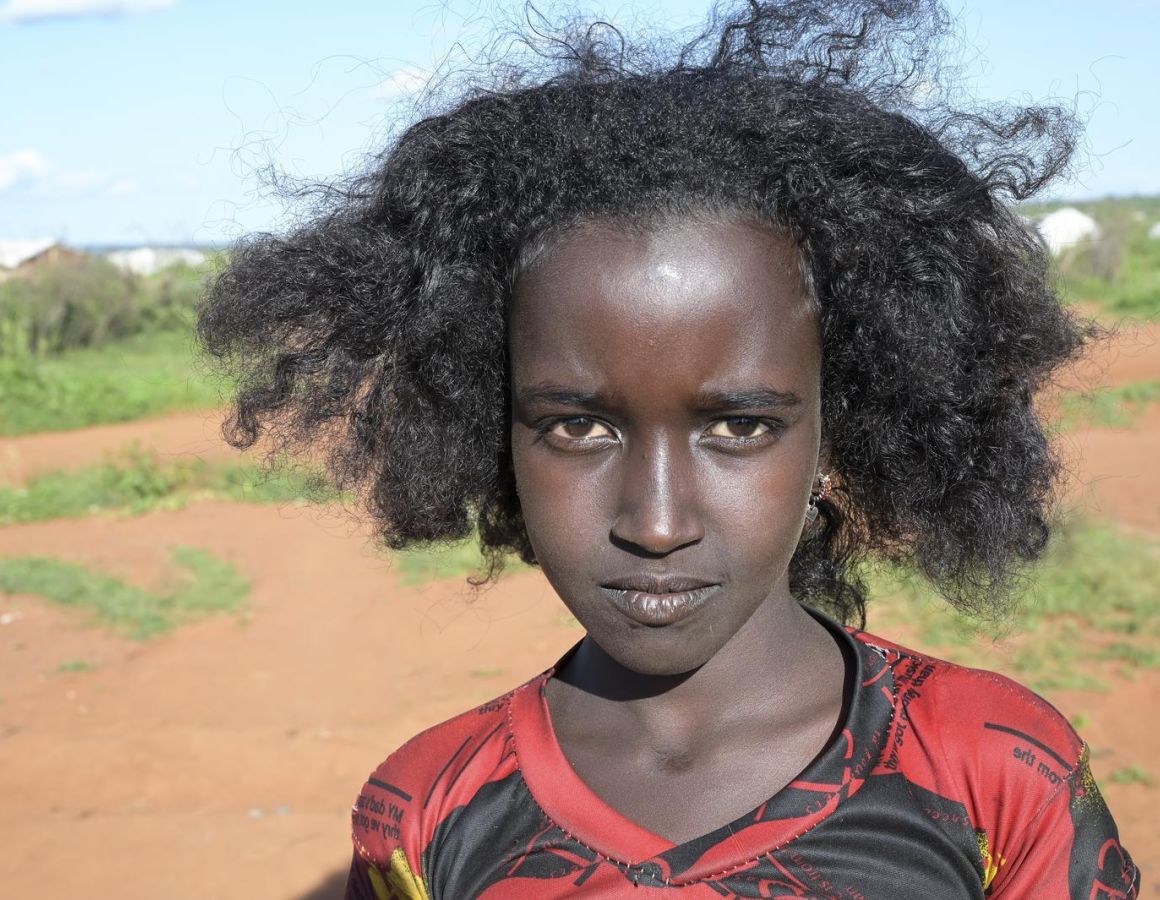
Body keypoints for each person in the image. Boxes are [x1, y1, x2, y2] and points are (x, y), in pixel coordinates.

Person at [198, 0, 1140, 896]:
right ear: (489, 430)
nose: (655, 523)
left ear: (840, 428)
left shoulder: (995, 773)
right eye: (577, 426)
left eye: (739, 427)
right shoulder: (427, 813)